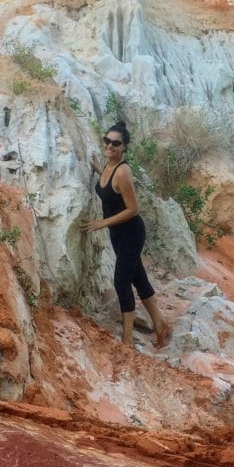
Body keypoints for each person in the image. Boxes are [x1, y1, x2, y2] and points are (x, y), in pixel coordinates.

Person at [83, 121, 171, 348]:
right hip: (118, 235)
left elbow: (133, 209)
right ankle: (160, 323)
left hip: (131, 232)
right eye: (107, 140)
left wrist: (103, 222)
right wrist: (95, 168)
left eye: (116, 143)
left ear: (124, 147)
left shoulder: (122, 171)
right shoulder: (108, 166)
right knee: (138, 277)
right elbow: (107, 186)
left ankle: (127, 339)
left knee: (122, 282)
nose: (110, 145)